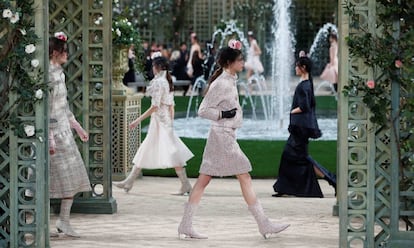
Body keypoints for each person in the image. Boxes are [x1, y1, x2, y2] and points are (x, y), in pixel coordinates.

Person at [177, 40, 289, 240]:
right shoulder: (220, 83)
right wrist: (222, 114)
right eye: (240, 60)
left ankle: (186, 225)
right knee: (243, 175)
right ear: (230, 62)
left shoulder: (229, 79)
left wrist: (227, 115)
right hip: (222, 136)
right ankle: (264, 223)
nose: (243, 63)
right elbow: (202, 110)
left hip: (224, 135)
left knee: (204, 180)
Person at [113, 52, 194, 195]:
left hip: (160, 122)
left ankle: (185, 184)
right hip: (163, 122)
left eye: (153, 66)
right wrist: (170, 123)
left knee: (170, 152)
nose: (152, 68)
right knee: (150, 149)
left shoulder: (158, 82)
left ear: (156, 67)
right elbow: (171, 106)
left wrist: (137, 120)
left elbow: (155, 106)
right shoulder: (167, 81)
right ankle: (129, 181)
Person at [272, 56, 336, 198]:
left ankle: (331, 179)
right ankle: (285, 187)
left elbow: (304, 106)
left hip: (300, 129)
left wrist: (291, 111)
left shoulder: (305, 85)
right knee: (297, 158)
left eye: (297, 66)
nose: (295, 68)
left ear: (303, 68)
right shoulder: (307, 83)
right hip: (300, 128)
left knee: (297, 157)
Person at [48, 32, 92, 237]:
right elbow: (47, 110)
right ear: (55, 52)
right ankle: (37, 223)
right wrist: (49, 137)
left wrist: (78, 127)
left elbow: (63, 107)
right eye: (64, 51)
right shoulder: (48, 74)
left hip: (65, 133)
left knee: (73, 178)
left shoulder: (60, 73)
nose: (67, 55)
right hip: (54, 135)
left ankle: (64, 221)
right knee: (47, 181)